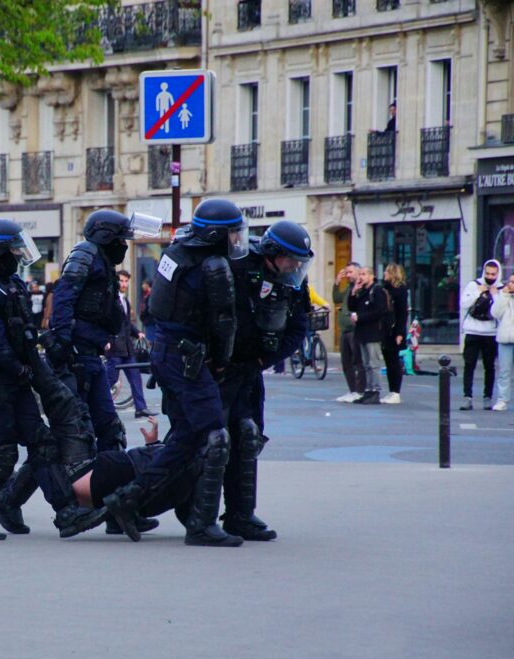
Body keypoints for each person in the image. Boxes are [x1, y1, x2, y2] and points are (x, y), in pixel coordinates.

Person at [102, 198, 248, 547]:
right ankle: (200, 524)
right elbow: (225, 323)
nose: (235, 241)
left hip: (167, 352)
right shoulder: (214, 266)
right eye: (231, 234)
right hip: (189, 358)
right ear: (216, 235)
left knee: (186, 438)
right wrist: (223, 362)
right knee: (215, 435)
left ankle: (129, 499)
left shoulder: (176, 251)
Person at [0, 218, 105, 540]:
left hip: (15, 376)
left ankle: (67, 513)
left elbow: (20, 332)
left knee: (42, 442)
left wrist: (31, 368)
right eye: (12, 248)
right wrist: (20, 368)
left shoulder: (4, 280)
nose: (17, 254)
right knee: (2, 452)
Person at [222, 220, 312, 541]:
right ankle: (197, 512)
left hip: (251, 367)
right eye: (291, 259)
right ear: (272, 253)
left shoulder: (294, 279)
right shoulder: (239, 264)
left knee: (248, 436)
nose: (295, 266)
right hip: (221, 367)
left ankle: (240, 514)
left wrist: (263, 361)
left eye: (300, 261)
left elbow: (299, 327)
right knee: (211, 439)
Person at [48, 209, 162, 451]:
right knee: (76, 433)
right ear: (105, 237)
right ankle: (70, 487)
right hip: (78, 354)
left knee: (110, 430)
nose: (123, 245)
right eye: (121, 240)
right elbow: (63, 298)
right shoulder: (85, 254)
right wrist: (63, 343)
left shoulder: (102, 260)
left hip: (91, 352)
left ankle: (105, 486)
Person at [104, 269, 153, 418]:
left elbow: (126, 323)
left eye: (126, 281)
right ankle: (99, 407)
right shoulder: (110, 299)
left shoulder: (124, 300)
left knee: (135, 378)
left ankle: (141, 408)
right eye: (121, 281)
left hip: (127, 347)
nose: (124, 284)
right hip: (114, 347)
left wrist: (137, 332)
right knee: (109, 379)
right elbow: (105, 321)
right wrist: (105, 340)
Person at [459, 260, 502, 410]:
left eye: (493, 274)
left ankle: (487, 397)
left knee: (489, 366)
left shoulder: (501, 288)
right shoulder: (474, 285)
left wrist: (495, 295)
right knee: (469, 364)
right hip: (472, 330)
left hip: (491, 333)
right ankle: (467, 396)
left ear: (498, 274)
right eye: (487, 273)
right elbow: (464, 303)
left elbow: (500, 311)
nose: (490, 277)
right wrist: (479, 291)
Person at [347, 267, 389, 405]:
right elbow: (352, 306)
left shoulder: (376, 291)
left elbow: (380, 311)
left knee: (373, 363)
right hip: (362, 332)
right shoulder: (363, 291)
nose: (361, 277)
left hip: (373, 332)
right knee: (366, 364)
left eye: (364, 274)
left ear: (371, 276)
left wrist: (360, 317)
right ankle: (368, 390)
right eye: (360, 274)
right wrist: (354, 292)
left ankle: (375, 391)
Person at [333, 261, 366, 403]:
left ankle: (360, 391)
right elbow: (336, 299)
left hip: (355, 330)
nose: (348, 274)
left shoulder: (361, 288)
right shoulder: (348, 288)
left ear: (359, 272)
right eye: (346, 272)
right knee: (346, 362)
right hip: (344, 330)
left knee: (358, 361)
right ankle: (352, 390)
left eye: (350, 272)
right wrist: (336, 283)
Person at [380, 263, 409, 404]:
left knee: (393, 361)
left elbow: (402, 313)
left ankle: (396, 392)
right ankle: (391, 391)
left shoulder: (400, 290)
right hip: (385, 328)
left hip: (395, 329)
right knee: (388, 360)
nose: (384, 273)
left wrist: (400, 333)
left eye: (386, 271)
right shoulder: (385, 288)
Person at [489, 273, 514, 412]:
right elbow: (495, 313)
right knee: (504, 372)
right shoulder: (503, 296)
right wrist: (503, 296)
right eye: (509, 281)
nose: (510, 284)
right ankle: (502, 399)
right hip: (505, 338)